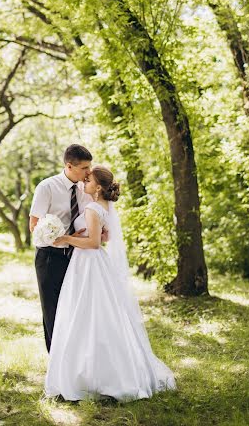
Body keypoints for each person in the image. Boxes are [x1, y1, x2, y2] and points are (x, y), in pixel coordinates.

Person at [45, 165, 176, 401]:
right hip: (94, 263)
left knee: (86, 313)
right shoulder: (102, 207)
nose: (84, 183)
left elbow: (94, 243)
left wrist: (66, 238)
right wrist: (85, 234)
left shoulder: (93, 208)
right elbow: (105, 237)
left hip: (87, 263)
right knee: (101, 314)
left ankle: (91, 376)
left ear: (97, 187)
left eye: (88, 181)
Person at [29, 144, 108, 352]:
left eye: (89, 167)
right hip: (49, 257)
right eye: (84, 168)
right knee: (52, 310)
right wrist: (62, 238)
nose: (88, 172)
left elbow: (97, 222)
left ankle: (74, 359)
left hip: (77, 259)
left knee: (74, 309)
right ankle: (55, 360)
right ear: (69, 166)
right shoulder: (46, 187)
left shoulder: (86, 190)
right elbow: (34, 226)